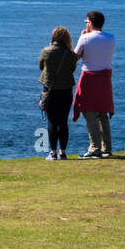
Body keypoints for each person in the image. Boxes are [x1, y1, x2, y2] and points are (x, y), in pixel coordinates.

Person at [72, 10, 115, 158]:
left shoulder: (85, 38)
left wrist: (82, 37)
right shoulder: (111, 38)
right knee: (102, 113)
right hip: (105, 78)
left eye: (86, 22)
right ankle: (106, 148)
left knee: (89, 111)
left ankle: (94, 148)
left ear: (90, 23)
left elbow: (75, 57)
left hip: (89, 78)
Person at [38, 26, 78, 160]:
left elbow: (41, 66)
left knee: (52, 122)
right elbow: (72, 69)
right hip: (66, 91)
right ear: (67, 38)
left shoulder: (46, 51)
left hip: (50, 91)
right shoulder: (71, 54)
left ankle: (53, 152)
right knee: (63, 122)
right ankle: (63, 152)